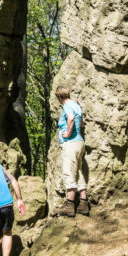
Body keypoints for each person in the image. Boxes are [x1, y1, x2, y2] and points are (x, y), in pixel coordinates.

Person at [54, 85, 89, 217]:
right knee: (78, 171)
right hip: (79, 142)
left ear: (59, 97)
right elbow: (81, 123)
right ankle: (84, 203)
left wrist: (68, 133)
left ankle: (70, 205)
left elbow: (71, 118)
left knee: (69, 172)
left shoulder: (67, 105)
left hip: (71, 143)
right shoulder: (76, 105)